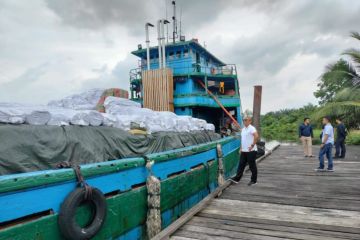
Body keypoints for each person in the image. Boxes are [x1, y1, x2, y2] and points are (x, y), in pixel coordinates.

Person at [231, 110, 259, 186]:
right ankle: (237, 179)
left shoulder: (251, 128)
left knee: (252, 166)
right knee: (241, 165)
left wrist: (252, 145)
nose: (244, 121)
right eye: (244, 120)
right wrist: (241, 148)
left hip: (251, 150)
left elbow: (256, 136)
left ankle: (254, 180)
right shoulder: (243, 130)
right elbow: (243, 140)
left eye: (246, 120)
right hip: (244, 150)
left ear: (250, 121)